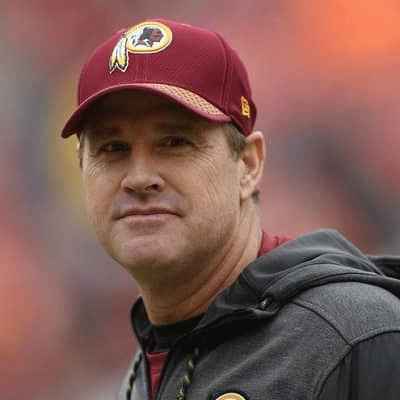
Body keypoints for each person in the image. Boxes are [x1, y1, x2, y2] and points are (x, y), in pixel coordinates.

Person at [61, 18, 400, 400]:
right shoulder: (147, 368)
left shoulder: (354, 337)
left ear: (249, 165)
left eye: (174, 142)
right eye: (112, 149)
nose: (139, 178)